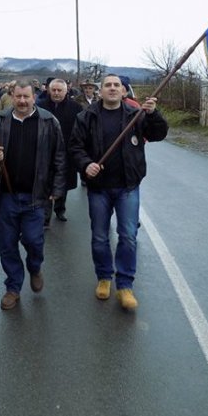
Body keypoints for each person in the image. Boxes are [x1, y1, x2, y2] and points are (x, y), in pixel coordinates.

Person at [69, 73, 168, 311]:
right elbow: (75, 147)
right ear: (100, 91)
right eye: (108, 85)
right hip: (99, 188)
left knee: (128, 236)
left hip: (127, 187)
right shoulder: (86, 117)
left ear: (124, 92)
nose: (112, 88)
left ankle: (125, 285)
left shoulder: (136, 115)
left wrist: (153, 114)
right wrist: (85, 164)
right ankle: (104, 277)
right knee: (100, 237)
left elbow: (158, 134)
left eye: (117, 85)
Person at [0, 80, 66, 310]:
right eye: (18, 96)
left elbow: (59, 156)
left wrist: (57, 189)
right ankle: (13, 287)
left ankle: (35, 267)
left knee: (33, 241)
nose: (22, 101)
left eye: (26, 96)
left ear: (34, 96)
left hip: (36, 196)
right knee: (7, 245)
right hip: (6, 195)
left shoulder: (49, 121)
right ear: (12, 95)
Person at [36, 78, 82, 227]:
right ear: (49, 90)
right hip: (45, 151)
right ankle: (45, 216)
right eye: (53, 90)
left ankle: (60, 209)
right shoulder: (40, 107)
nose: (56, 93)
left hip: (67, 152)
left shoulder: (76, 108)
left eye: (59, 90)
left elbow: (81, 131)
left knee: (63, 182)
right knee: (45, 183)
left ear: (66, 91)